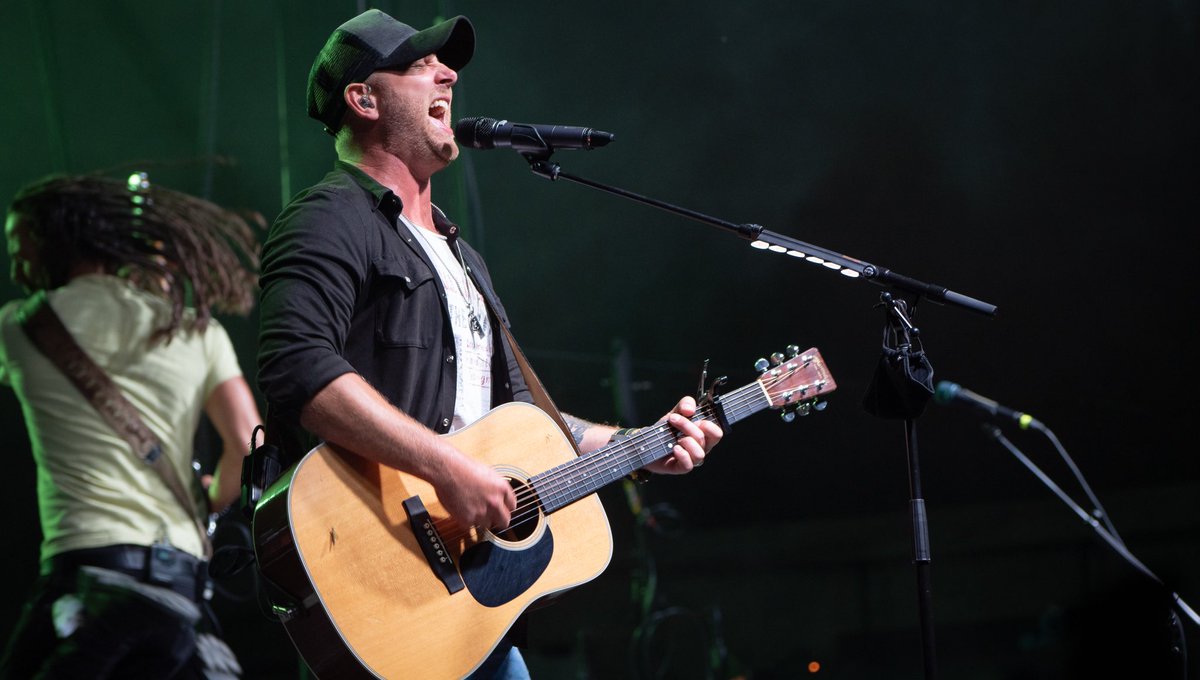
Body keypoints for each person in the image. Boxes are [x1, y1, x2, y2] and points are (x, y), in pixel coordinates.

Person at [255, 9, 723, 679]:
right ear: (362, 98)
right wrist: (448, 470)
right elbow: (296, 365)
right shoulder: (330, 218)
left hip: (473, 610)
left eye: (446, 67)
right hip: (383, 583)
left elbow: (524, 421)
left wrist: (642, 447)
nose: (449, 73)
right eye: (421, 67)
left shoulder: (462, 256)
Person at [0, 172, 263, 679]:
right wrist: (209, 499)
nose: (15, 265)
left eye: (20, 245)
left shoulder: (21, 327)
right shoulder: (194, 329)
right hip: (179, 597)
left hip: (89, 584)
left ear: (57, 238)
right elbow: (251, 448)